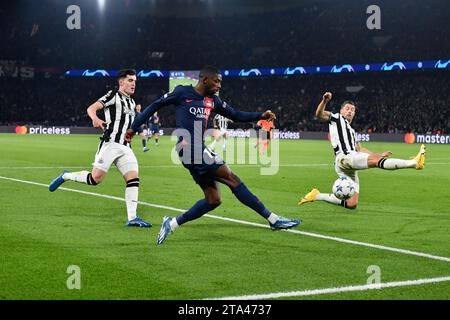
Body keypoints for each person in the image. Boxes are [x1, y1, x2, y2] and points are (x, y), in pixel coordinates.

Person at [126, 66, 300, 245]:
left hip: (195, 150)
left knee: (213, 199)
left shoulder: (213, 101)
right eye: (216, 81)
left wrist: (260, 115)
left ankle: (171, 223)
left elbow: (236, 115)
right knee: (232, 179)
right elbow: (154, 106)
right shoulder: (181, 92)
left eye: (220, 82)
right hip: (188, 148)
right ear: (205, 80)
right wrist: (133, 128)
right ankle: (273, 219)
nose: (219, 85)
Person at [48, 69, 152, 227]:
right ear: (121, 82)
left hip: (126, 147)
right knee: (94, 179)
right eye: (130, 80)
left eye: (135, 81)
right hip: (110, 143)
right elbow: (91, 108)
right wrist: (95, 119)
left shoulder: (131, 102)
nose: (133, 84)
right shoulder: (112, 95)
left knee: (133, 179)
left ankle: (132, 218)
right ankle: (66, 176)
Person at [298, 92, 426, 209]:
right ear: (341, 110)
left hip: (346, 163)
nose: (350, 111)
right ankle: (414, 163)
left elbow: (361, 149)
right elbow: (319, 114)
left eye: (352, 110)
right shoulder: (337, 118)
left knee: (352, 203)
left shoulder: (352, 131)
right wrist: (324, 101)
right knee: (377, 162)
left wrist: (378, 155)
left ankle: (317, 195)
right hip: (345, 158)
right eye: (347, 108)